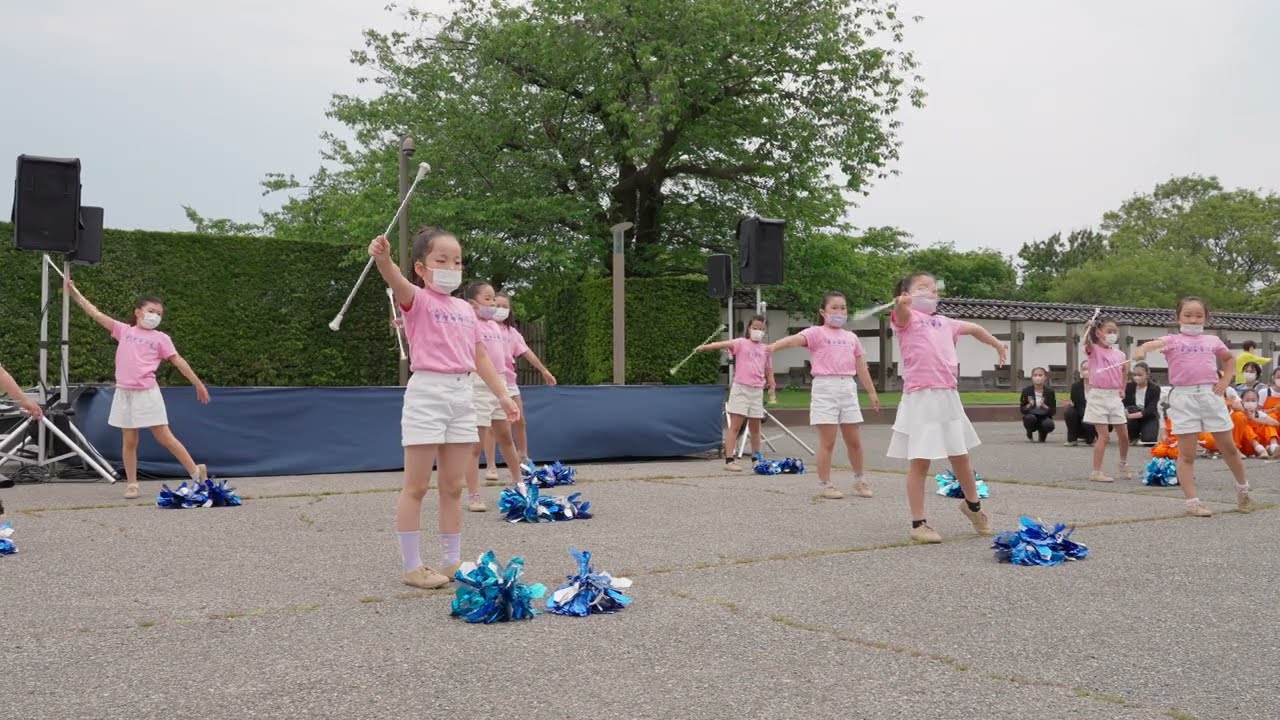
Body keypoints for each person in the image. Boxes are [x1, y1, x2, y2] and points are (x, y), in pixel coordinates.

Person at [370, 229, 518, 590]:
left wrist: (502, 394)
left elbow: (479, 355)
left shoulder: (466, 311)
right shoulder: (417, 298)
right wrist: (384, 258)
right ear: (421, 267)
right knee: (416, 486)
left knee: (453, 485)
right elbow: (395, 278)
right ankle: (412, 565)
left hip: (461, 395)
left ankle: (452, 561)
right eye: (442, 260)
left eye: (457, 260)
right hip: (427, 393)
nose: (452, 266)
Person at [64, 271, 210, 500]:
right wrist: (74, 293)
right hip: (124, 393)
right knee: (129, 440)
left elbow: (178, 361)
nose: (155, 316)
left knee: (164, 437)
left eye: (159, 313)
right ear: (138, 312)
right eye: (151, 311)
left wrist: (198, 384)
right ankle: (132, 484)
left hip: (147, 393)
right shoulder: (123, 330)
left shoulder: (162, 339)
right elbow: (95, 314)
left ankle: (196, 472)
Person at [886, 272, 1006, 543]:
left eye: (933, 289)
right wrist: (900, 304)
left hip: (948, 396)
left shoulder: (945, 322)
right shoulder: (905, 319)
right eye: (922, 288)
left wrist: (997, 344)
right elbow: (900, 314)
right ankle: (919, 524)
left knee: (960, 456)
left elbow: (975, 329)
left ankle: (973, 507)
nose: (930, 293)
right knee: (920, 461)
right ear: (907, 293)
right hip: (921, 398)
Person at [1133, 296, 1251, 517]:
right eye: (1188, 315)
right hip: (1184, 397)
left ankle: (1243, 490)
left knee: (1229, 448)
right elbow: (1150, 344)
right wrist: (1141, 350)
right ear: (1178, 317)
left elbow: (1229, 359)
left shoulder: (1212, 341)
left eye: (1198, 316)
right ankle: (1192, 502)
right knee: (1186, 454)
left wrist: (1225, 381)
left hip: (1210, 394)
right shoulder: (1172, 340)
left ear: (1206, 318)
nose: (1193, 320)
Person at [768, 292, 879, 499]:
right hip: (825, 388)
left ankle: (859, 479)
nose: (839, 312)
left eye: (843, 308)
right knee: (828, 441)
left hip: (847, 387)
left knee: (854, 440)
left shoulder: (851, 337)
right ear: (823, 311)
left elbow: (861, 367)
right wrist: (773, 347)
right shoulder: (816, 333)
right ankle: (825, 484)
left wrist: (871, 392)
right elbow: (794, 340)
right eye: (834, 308)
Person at [461, 281, 524, 512]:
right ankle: (474, 495)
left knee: (506, 438)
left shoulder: (496, 326)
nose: (493, 304)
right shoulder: (470, 325)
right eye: (487, 299)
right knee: (474, 446)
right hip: (478, 385)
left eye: (494, 299)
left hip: (500, 384)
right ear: (472, 304)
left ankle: (519, 483)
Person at [483, 292, 556, 477]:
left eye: (504, 306)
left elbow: (527, 352)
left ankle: (522, 455)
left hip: (509, 382)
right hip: (489, 382)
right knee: (492, 426)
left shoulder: (512, 332)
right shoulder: (483, 328)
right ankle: (490, 465)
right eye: (496, 305)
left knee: (519, 419)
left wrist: (543, 370)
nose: (500, 309)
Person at [696, 314, 777, 471]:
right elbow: (722, 343)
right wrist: (704, 347)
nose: (758, 331)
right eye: (755, 328)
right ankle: (729, 460)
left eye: (761, 329)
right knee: (735, 426)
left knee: (756, 428)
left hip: (757, 391)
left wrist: (772, 384)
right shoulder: (740, 343)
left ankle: (756, 459)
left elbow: (769, 370)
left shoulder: (766, 350)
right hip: (741, 389)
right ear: (749, 328)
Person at [1082, 317, 1130, 482]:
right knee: (1104, 436)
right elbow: (1086, 342)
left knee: (1123, 434)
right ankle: (1096, 472)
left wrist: (1122, 388)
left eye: (1114, 331)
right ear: (1099, 333)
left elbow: (1125, 370)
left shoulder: (1120, 353)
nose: (1112, 334)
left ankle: (1123, 464)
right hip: (1098, 396)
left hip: (1114, 396)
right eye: (1109, 331)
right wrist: (1088, 328)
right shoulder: (1094, 350)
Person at [1123, 362, 1161, 445]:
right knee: (1132, 408)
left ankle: (1145, 433)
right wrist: (1126, 412)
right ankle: (1133, 437)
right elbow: (1125, 403)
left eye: (1140, 375)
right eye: (1134, 375)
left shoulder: (1154, 388)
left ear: (1147, 375)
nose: (1136, 377)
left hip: (1149, 416)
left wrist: (1130, 416)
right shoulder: (1128, 387)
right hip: (1133, 414)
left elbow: (1151, 408)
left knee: (1149, 441)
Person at [1061, 360, 1097, 446]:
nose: (1086, 371)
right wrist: (1069, 404)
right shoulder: (1076, 386)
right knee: (1070, 411)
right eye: (1084, 369)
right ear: (1081, 370)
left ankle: (1093, 438)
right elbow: (1075, 404)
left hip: (1096, 416)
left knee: (1088, 422)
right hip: (1082, 414)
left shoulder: (1100, 385)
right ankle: (1072, 439)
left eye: (1089, 369)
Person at [1237, 388, 1280, 458]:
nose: (1250, 402)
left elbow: (1277, 424)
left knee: (1268, 425)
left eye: (1253, 400)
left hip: (1260, 441)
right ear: (1242, 402)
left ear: (1257, 402)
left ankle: (1274, 448)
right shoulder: (1240, 414)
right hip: (1247, 445)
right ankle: (1261, 450)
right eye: (1247, 400)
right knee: (1246, 427)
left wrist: (1261, 420)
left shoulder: (1259, 414)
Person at [1018, 367, 1055, 442]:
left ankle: (1042, 434)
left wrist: (1045, 406)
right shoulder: (1026, 391)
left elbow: (1053, 411)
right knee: (1030, 418)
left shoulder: (1049, 392)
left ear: (1045, 377)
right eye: (1035, 375)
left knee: (1048, 424)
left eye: (1040, 375)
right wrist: (1028, 406)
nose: (1037, 377)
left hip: (1044, 416)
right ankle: (1029, 431)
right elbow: (1022, 409)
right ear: (1032, 377)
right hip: (1031, 415)